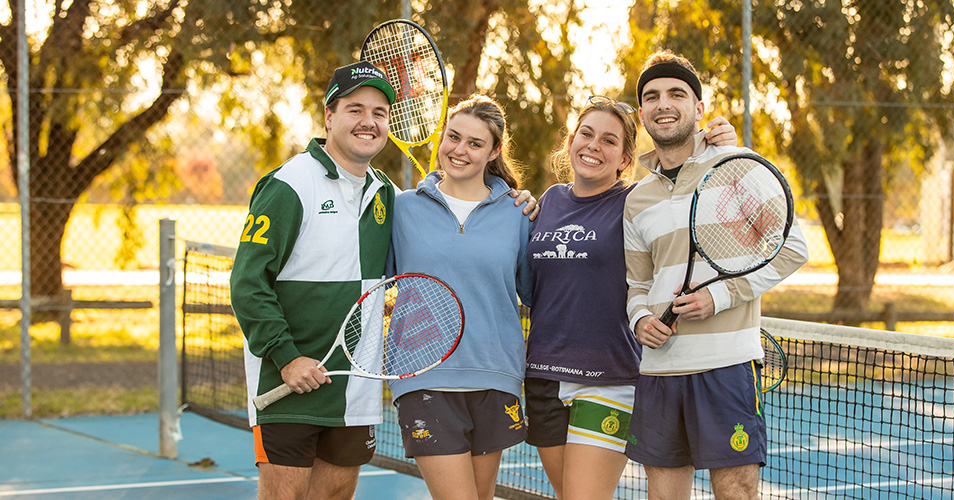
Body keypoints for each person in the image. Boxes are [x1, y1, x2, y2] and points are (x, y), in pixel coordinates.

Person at [230, 63, 535, 500]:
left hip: (354, 387)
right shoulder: (289, 184)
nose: (368, 121)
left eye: (379, 111)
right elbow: (247, 283)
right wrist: (286, 356)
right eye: (355, 109)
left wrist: (520, 201)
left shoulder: (386, 196)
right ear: (329, 115)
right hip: (290, 381)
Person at [524, 96, 737, 500]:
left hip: (609, 377)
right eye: (586, 134)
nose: (593, 146)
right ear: (570, 141)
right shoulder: (548, 200)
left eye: (609, 141)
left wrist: (719, 147)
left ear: (625, 158)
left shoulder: (637, 200)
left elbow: (692, 188)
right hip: (543, 377)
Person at [622, 50, 809, 500]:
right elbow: (637, 285)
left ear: (699, 108)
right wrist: (640, 319)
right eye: (652, 96)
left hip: (726, 366)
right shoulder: (636, 198)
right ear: (643, 112)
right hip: (660, 371)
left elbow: (792, 247)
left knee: (736, 492)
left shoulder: (737, 162)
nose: (663, 104)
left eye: (676, 94)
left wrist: (720, 296)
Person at [387, 94, 534, 500]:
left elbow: (534, 292)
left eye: (475, 143)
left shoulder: (518, 214)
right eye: (453, 137)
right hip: (424, 377)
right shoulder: (402, 209)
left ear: (494, 151)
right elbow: (373, 282)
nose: (459, 150)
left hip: (496, 376)